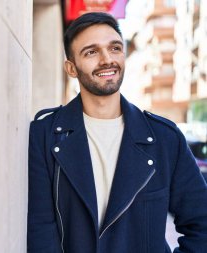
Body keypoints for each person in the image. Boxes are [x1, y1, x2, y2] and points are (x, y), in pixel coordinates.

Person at [27, 12, 207, 253]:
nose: (106, 60)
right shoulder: (45, 135)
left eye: (114, 48)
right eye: (91, 52)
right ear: (71, 68)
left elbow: (202, 224)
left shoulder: (165, 139)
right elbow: (41, 232)